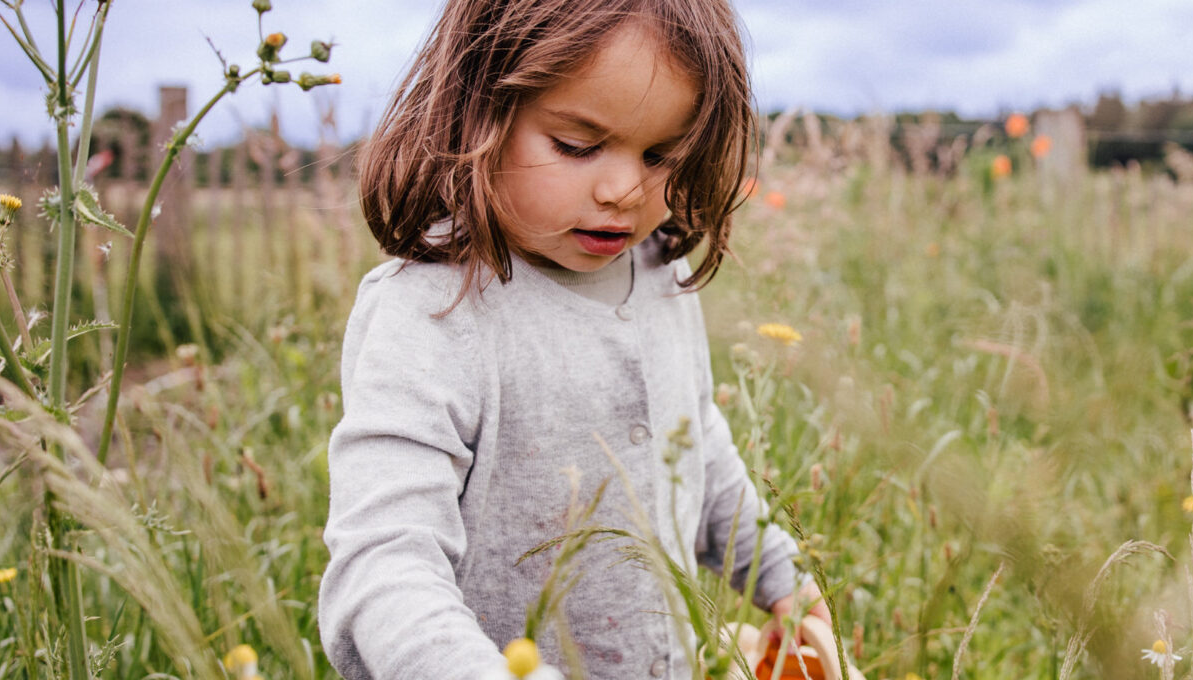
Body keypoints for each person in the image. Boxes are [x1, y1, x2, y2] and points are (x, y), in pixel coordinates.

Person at [317, 0, 830, 678]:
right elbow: (384, 564)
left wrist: (782, 579)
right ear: (479, 112)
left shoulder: (655, 271)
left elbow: (695, 445)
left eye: (660, 155)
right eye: (577, 146)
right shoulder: (431, 313)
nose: (623, 189)